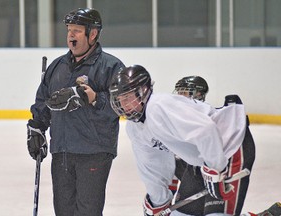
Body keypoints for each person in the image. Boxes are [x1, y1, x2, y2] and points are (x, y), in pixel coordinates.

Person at [109, 65, 255, 216]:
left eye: (127, 97)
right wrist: (158, 202)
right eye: (120, 99)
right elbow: (152, 166)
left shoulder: (159, 106)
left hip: (229, 145)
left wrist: (215, 169)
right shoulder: (135, 128)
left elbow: (206, 130)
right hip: (203, 161)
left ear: (143, 91)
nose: (124, 104)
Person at [27, 8, 125, 216]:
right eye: (69, 30)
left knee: (87, 212)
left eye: (77, 30)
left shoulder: (111, 66)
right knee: (63, 211)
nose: (71, 35)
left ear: (93, 34)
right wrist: (36, 128)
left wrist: (96, 99)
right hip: (62, 151)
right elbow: (44, 102)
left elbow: (124, 104)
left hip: (94, 153)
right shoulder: (57, 67)